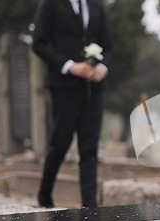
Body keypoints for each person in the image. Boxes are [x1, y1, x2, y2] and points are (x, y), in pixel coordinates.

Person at [32, 0, 112, 208]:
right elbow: (39, 43)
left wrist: (101, 68)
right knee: (60, 143)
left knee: (89, 148)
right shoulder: (50, 4)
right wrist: (69, 66)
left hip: (93, 89)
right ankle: (44, 196)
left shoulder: (96, 6)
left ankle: (90, 206)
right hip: (63, 86)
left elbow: (108, 47)